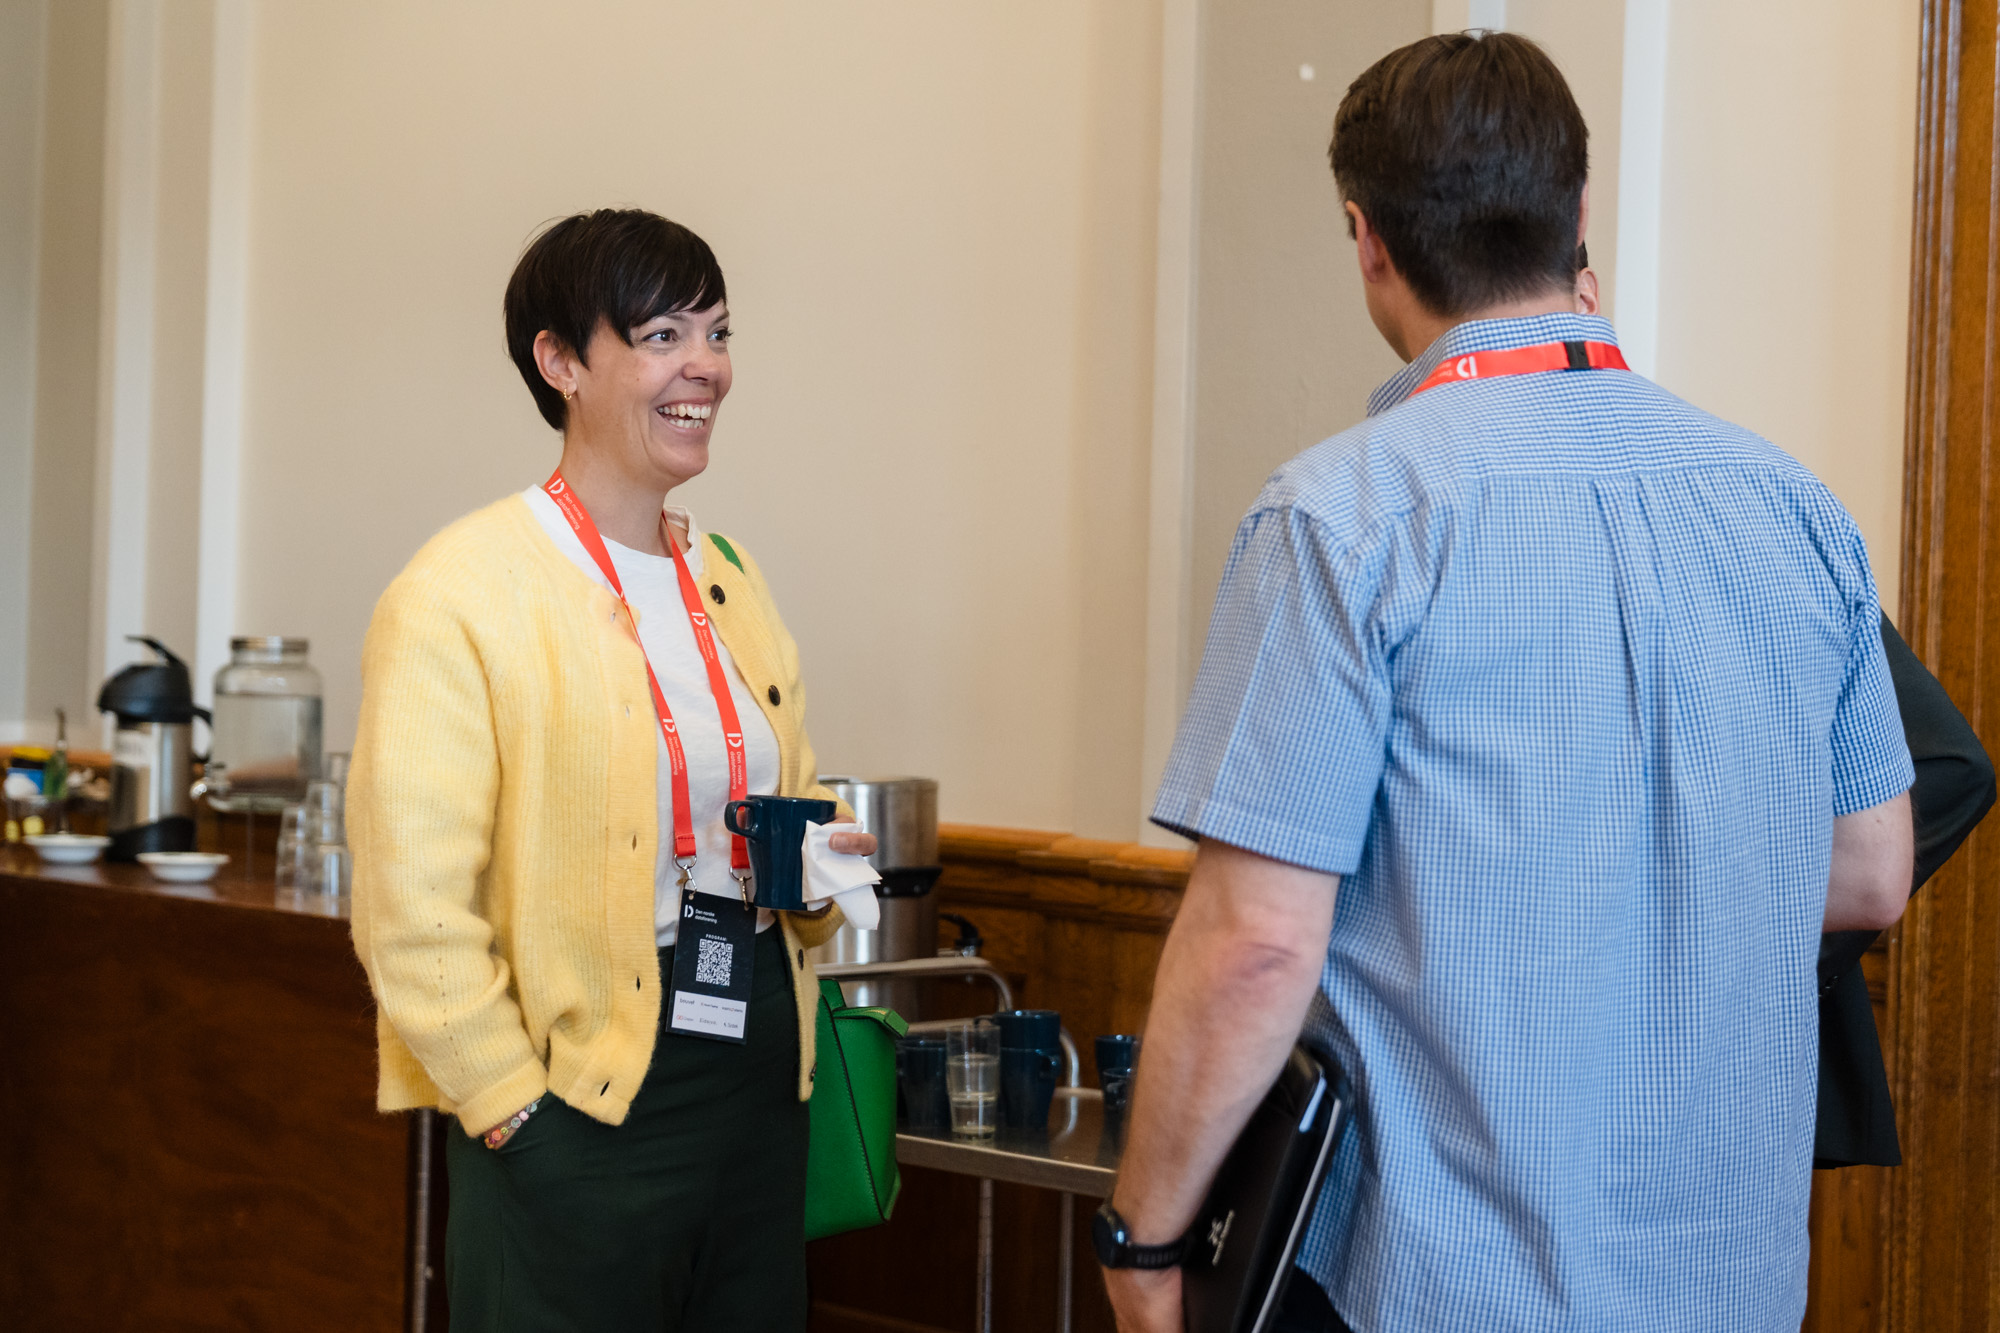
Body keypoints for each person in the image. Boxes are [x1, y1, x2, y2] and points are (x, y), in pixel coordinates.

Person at [1098, 32, 1916, 1333]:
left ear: (1366, 239)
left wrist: (1141, 1238)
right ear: (1575, 212)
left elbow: (1256, 943)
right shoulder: (1794, 507)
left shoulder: (1342, 519)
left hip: (1432, 1289)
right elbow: (1870, 872)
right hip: (1730, 1289)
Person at [348, 208, 868, 1331]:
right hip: (575, 1098)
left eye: (718, 333)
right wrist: (509, 1111)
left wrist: (818, 854)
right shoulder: (458, 592)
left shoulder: (728, 574)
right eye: (663, 335)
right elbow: (411, 911)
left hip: (757, 1082)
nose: (705, 367)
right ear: (561, 361)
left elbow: (777, 801)